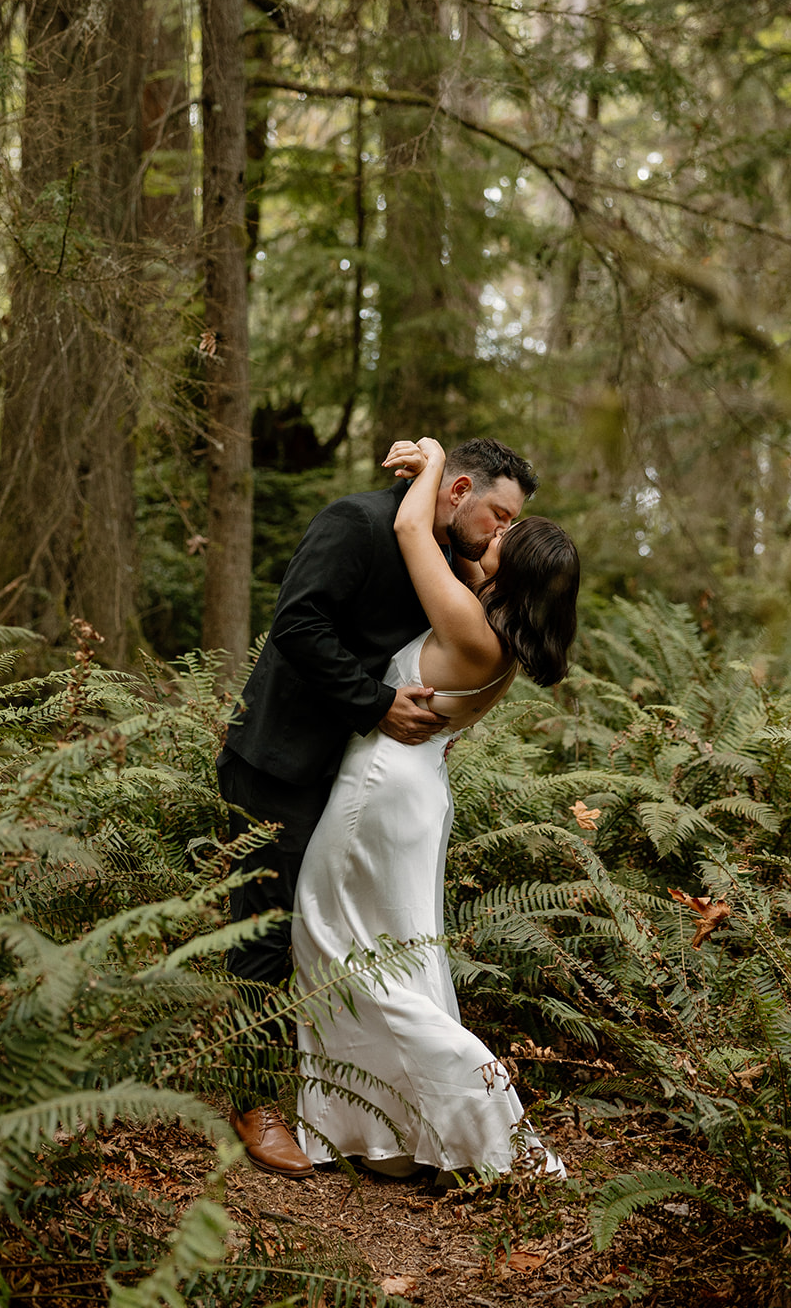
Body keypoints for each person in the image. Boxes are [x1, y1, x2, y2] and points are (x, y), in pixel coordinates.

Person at [218, 438, 539, 1176]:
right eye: (497, 515)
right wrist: (376, 704)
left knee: (337, 941)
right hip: (282, 760)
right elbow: (297, 625)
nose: (499, 536)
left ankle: (347, 1106)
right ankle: (250, 1100)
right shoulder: (358, 522)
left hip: (354, 776)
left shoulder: (445, 557)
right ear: (458, 488)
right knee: (264, 933)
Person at [292, 437, 580, 1181]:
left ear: (511, 572)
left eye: (504, 536)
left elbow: (409, 530)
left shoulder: (468, 625)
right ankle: (389, 1135)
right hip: (416, 797)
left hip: (379, 791)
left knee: (338, 945)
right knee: (398, 955)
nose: (491, 535)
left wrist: (433, 457)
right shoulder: (500, 639)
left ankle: (491, 1125)